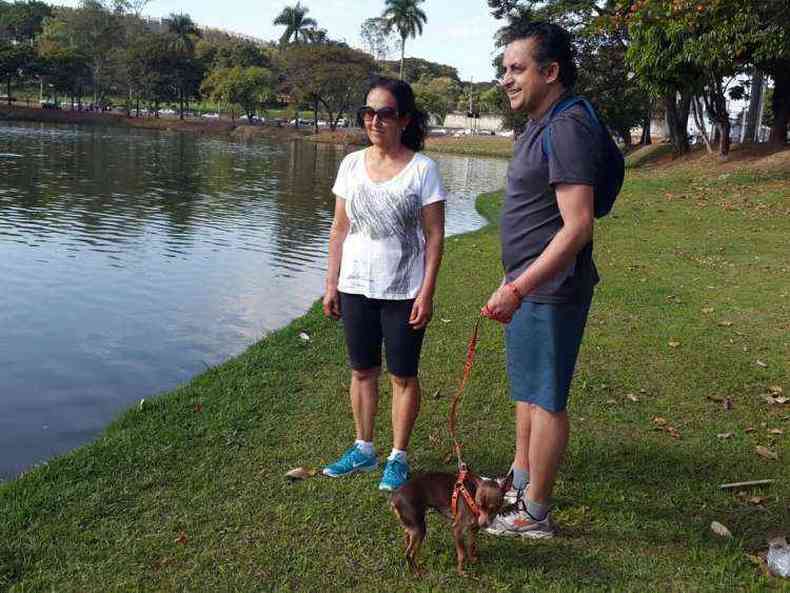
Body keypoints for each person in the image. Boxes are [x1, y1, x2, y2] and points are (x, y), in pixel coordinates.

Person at [483, 22, 601, 538]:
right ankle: (521, 478)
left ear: (550, 72)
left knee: (547, 399)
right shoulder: (538, 122)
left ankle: (535, 514)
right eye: (504, 69)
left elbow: (577, 225)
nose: (506, 79)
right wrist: (512, 278)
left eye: (517, 69)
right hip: (529, 283)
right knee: (527, 391)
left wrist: (517, 288)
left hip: (550, 289)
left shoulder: (567, 125)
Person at [321, 77, 446, 492]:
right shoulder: (351, 164)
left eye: (385, 113)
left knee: (403, 376)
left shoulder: (423, 170)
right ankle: (363, 447)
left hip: (403, 289)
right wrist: (331, 283)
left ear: (405, 119)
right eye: (368, 113)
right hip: (356, 285)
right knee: (361, 370)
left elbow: (434, 237)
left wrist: (426, 292)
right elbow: (339, 229)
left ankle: (398, 455)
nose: (374, 121)